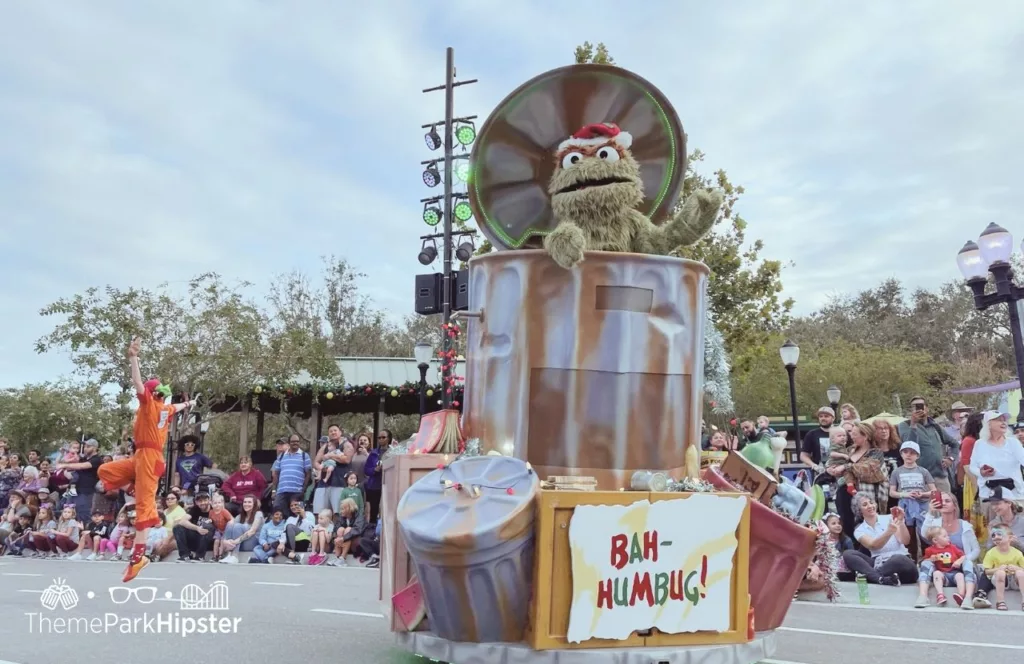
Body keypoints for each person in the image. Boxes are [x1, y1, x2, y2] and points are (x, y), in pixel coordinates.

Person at [99, 337, 196, 582]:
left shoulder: (150, 405)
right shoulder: (166, 409)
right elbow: (180, 406)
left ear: (153, 394)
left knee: (143, 507)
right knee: (105, 471)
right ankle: (134, 488)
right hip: (141, 456)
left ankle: (138, 558)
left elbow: (137, 383)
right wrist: (191, 402)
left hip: (150, 458)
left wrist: (133, 358)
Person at [918, 491, 984, 608]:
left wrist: (962, 560)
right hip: (939, 567)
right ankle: (923, 596)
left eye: (947, 501)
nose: (944, 503)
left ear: (955, 506)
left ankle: (967, 598)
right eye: (941, 501)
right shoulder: (934, 523)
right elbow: (924, 534)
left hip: (960, 567)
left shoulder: (965, 526)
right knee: (926, 562)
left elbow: (976, 550)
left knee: (968, 562)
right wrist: (930, 512)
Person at [842, 491, 917, 585]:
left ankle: (870, 577)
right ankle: (880, 579)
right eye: (865, 505)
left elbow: (905, 541)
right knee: (848, 554)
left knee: (898, 558)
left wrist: (901, 522)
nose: (870, 506)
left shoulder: (890, 518)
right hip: (879, 563)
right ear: (859, 510)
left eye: (871, 503)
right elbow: (873, 545)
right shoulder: (859, 530)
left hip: (902, 565)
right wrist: (889, 532)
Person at [897, 396, 959, 493]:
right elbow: (908, 446)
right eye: (915, 407)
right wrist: (913, 424)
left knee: (945, 506)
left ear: (927, 408)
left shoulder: (935, 426)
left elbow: (955, 444)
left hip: (940, 477)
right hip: (918, 479)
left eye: (921, 406)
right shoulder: (904, 425)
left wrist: (951, 458)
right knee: (922, 508)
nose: (919, 409)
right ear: (911, 410)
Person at [968, 411, 1024, 504]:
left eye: (1004, 420)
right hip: (988, 495)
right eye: (998, 420)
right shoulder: (979, 444)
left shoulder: (1013, 443)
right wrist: (981, 472)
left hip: (1014, 495)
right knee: (992, 518)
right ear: (988, 424)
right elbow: (972, 466)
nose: (1003, 423)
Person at [889, 442, 937, 539]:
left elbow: (934, 491)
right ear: (901, 454)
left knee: (925, 532)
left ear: (917, 456)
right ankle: (910, 553)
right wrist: (905, 495)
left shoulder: (923, 471)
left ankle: (926, 552)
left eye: (912, 452)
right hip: (905, 507)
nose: (908, 455)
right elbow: (892, 492)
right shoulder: (896, 472)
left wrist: (922, 494)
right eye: (905, 452)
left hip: (922, 506)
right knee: (908, 532)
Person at [919, 527, 969, 608]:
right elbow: (925, 561)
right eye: (945, 536)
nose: (948, 537)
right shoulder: (929, 550)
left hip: (954, 572)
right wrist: (931, 559)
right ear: (935, 540)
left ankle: (961, 595)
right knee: (936, 573)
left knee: (960, 575)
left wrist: (958, 561)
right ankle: (940, 595)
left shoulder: (952, 547)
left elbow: (963, 556)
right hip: (942, 575)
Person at [55, 438, 104, 521]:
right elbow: (62, 462)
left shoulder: (97, 459)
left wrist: (63, 466)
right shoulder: (83, 458)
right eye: (85, 446)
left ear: (95, 448)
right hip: (73, 490)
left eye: (88, 446)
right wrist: (62, 454)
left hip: (86, 492)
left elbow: (82, 466)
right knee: (67, 513)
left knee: (82, 515)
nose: (85, 448)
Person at [982, 525, 1024, 611]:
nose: (996, 537)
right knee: (1000, 573)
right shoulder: (991, 553)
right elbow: (987, 571)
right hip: (999, 580)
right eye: (993, 535)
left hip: (1015, 581)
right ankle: (1000, 601)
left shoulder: (1017, 553)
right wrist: (998, 569)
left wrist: (1017, 568)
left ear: (1010, 538)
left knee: (1020, 573)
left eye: (999, 534)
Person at [272, 435, 312, 513]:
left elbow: (308, 474)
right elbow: (276, 474)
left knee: (297, 513)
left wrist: (303, 490)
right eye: (293, 441)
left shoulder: (304, 456)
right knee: (277, 511)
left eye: (297, 441)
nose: (295, 443)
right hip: (281, 491)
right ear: (289, 443)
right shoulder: (281, 456)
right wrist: (274, 490)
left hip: (297, 491)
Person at [220, 495, 264, 563]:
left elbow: (252, 531)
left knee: (238, 526)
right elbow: (229, 527)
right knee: (230, 524)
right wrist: (225, 541)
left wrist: (235, 542)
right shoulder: (240, 516)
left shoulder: (258, 514)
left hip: (253, 543)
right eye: (245, 502)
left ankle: (235, 556)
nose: (246, 504)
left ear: (254, 504)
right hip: (239, 543)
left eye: (249, 502)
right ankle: (228, 555)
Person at [173, 491, 214, 562]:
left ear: (209, 501)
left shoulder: (214, 509)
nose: (203, 503)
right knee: (177, 527)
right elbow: (182, 521)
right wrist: (197, 528)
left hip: (210, 540)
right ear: (196, 502)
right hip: (196, 538)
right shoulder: (195, 509)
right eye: (200, 501)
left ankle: (200, 556)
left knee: (207, 526)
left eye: (205, 500)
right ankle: (185, 555)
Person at [800, 407, 836, 478]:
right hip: (819, 472)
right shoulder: (812, 434)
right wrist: (813, 465)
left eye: (826, 416)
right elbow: (803, 455)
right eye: (821, 416)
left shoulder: (840, 432)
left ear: (833, 418)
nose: (823, 418)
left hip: (838, 471)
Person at [329, 497, 365, 567]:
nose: (341, 511)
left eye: (342, 509)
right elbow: (335, 529)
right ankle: (337, 557)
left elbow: (357, 530)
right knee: (340, 529)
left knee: (348, 529)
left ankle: (342, 558)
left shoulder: (359, 517)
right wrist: (335, 539)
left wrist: (343, 538)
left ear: (349, 508)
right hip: (344, 543)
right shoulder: (341, 517)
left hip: (356, 545)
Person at [280, 498, 314, 564]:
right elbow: (284, 532)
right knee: (275, 544)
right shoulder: (290, 519)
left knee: (290, 526)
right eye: (291, 506)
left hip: (304, 542)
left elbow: (310, 531)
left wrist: (304, 517)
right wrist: (282, 543)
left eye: (296, 504)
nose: (293, 507)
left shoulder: (309, 515)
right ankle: (294, 557)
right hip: (293, 542)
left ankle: (291, 554)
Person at [208, 493, 233, 562]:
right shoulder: (211, 512)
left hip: (225, 530)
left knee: (222, 541)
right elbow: (210, 519)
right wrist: (209, 521)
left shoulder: (224, 511)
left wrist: (230, 522)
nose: (217, 504)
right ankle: (215, 555)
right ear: (211, 504)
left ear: (222, 503)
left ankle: (220, 555)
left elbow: (231, 519)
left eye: (219, 503)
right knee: (216, 541)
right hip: (218, 529)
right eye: (215, 503)